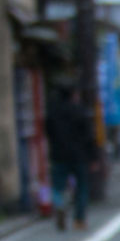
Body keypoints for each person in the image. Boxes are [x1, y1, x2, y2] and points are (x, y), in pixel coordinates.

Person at [42, 88, 95, 232]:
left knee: (58, 187)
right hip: (79, 155)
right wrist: (93, 157)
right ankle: (79, 219)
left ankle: (60, 206)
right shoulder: (80, 111)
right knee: (82, 187)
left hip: (58, 155)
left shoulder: (53, 112)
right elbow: (89, 136)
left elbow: (48, 132)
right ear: (73, 95)